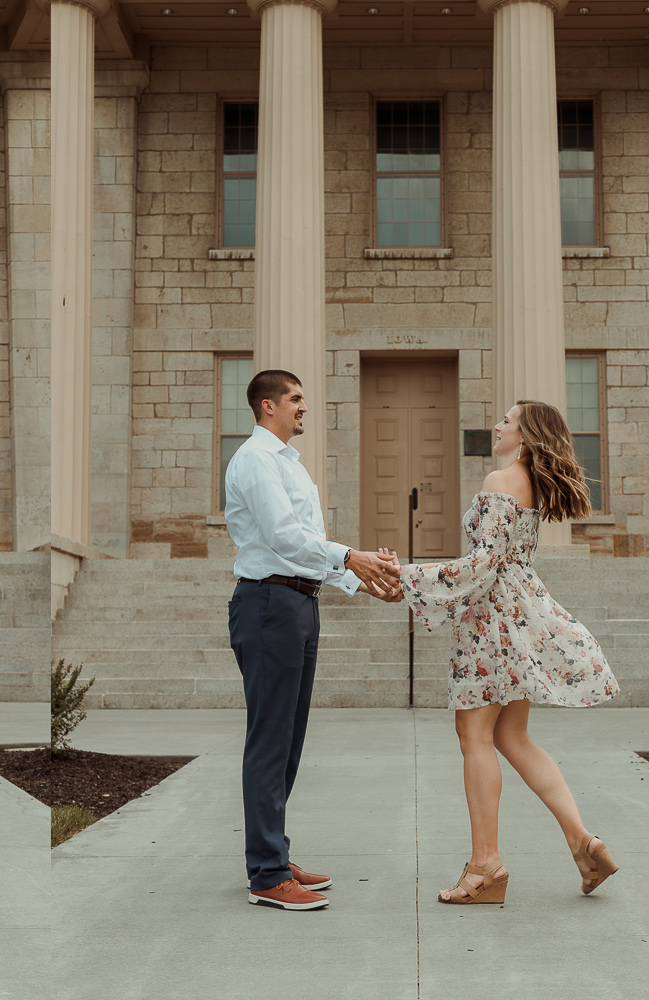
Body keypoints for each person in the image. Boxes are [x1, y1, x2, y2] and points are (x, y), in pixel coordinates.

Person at [393, 400, 622, 905]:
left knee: (474, 737)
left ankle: (485, 868)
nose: (497, 425)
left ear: (526, 436)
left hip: (493, 624)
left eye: (507, 420)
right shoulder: (533, 485)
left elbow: (483, 565)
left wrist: (407, 579)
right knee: (513, 737)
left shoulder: (501, 480)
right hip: (521, 618)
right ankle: (584, 842)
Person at [224, 369, 402, 911]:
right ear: (267, 406)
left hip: (298, 602)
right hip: (268, 606)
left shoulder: (291, 466)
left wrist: (359, 581)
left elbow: (304, 550)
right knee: (270, 740)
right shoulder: (255, 460)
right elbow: (280, 537)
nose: (304, 407)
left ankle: (273, 851)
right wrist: (351, 555)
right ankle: (267, 875)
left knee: (289, 741)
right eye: (296, 399)